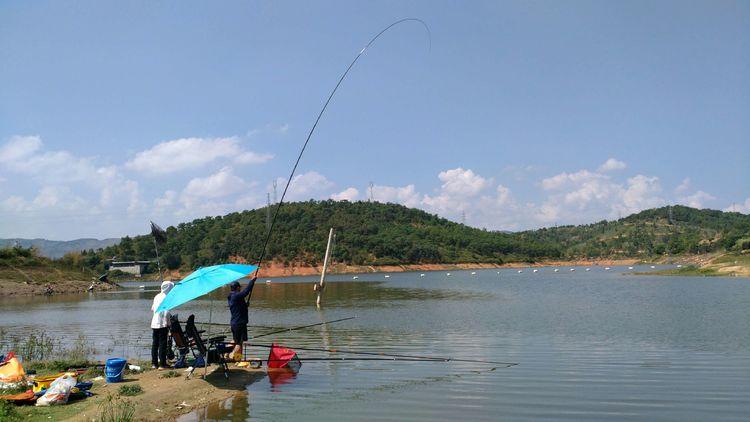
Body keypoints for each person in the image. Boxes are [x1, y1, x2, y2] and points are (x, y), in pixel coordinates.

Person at [227, 276, 257, 358]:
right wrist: (252, 281)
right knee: (239, 343)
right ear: (237, 288)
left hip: (234, 323)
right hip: (240, 323)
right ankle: (235, 358)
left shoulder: (231, 296)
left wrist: (244, 305)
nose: (240, 289)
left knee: (235, 340)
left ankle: (226, 354)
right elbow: (246, 292)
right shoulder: (236, 296)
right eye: (239, 287)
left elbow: (237, 306)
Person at [151, 280, 174, 369]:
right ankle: (162, 364)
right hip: (162, 324)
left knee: (155, 344)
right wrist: (168, 324)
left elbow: (153, 309)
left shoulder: (157, 296)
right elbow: (166, 313)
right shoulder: (167, 298)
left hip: (154, 323)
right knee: (162, 344)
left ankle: (154, 363)